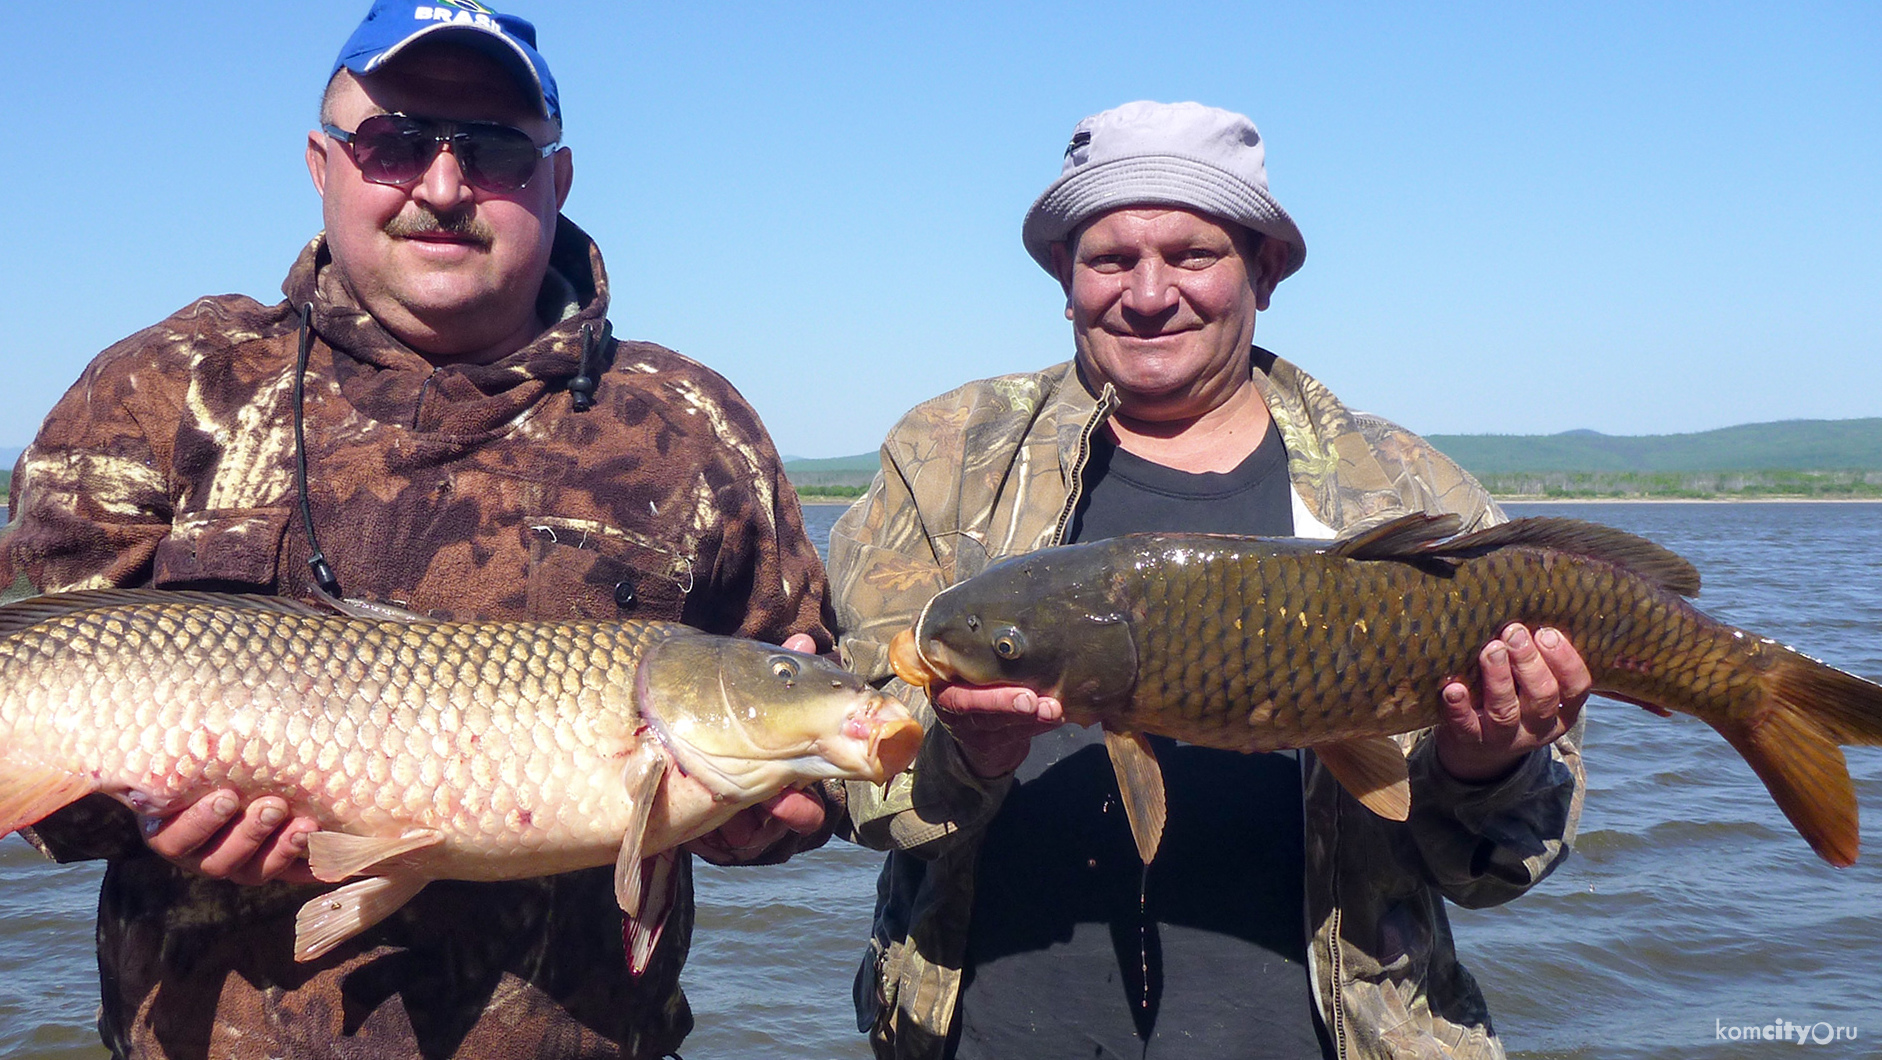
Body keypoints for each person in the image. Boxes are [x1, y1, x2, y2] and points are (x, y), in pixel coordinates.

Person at [0, 3, 833, 1056]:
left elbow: (796, 730)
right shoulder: (166, 386)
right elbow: (45, 767)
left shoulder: (691, 424)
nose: (442, 189)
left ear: (557, 179)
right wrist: (147, 814)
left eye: (490, 152)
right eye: (395, 144)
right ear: (321, 162)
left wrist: (774, 814)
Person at [830, 101, 1590, 1060]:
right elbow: (850, 761)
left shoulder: (1408, 492)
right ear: (1064, 276)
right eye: (1110, 259)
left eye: (1192, 255)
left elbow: (1499, 869)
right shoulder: (947, 458)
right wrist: (963, 754)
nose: (1149, 294)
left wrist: (1486, 764)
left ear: (1264, 271)